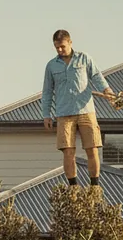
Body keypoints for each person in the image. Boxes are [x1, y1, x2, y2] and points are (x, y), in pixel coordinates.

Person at [41, 30, 115, 187]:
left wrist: (107, 90)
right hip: (64, 113)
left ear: (70, 42)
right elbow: (47, 91)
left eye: (62, 46)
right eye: (56, 47)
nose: (59, 50)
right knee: (68, 151)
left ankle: (94, 186)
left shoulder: (84, 58)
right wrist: (46, 114)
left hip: (86, 111)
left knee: (92, 148)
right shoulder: (51, 66)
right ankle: (73, 187)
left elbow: (96, 76)